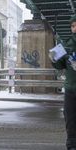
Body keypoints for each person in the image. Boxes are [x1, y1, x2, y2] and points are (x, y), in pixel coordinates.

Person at [49, 15, 76, 150]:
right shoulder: (66, 44)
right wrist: (54, 59)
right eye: (73, 26)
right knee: (70, 118)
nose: (74, 28)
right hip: (71, 89)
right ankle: (71, 144)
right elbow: (59, 65)